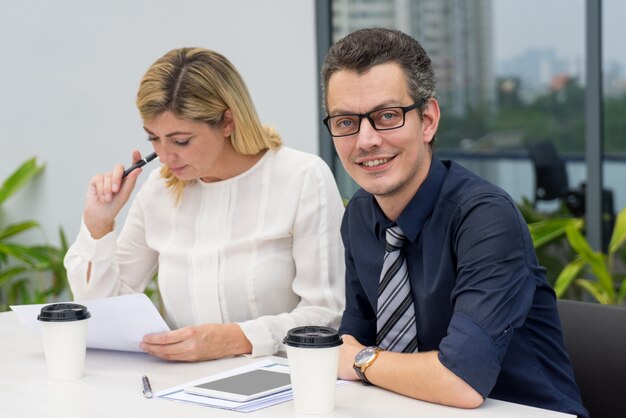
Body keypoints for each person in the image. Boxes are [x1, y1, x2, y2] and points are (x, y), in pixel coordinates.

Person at [321, 28, 588, 417]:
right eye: (346, 122)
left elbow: (460, 380)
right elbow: (351, 341)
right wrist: (355, 357)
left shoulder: (485, 217)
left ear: (427, 120)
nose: (365, 140)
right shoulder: (361, 215)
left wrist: (362, 360)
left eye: (387, 116)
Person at [64, 47, 345, 362]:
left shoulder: (303, 178)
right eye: (153, 139)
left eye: (181, 141)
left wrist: (238, 339)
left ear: (227, 121)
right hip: (182, 388)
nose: (166, 157)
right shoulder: (159, 191)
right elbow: (102, 314)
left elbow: (327, 313)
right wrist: (98, 225)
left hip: (283, 386)